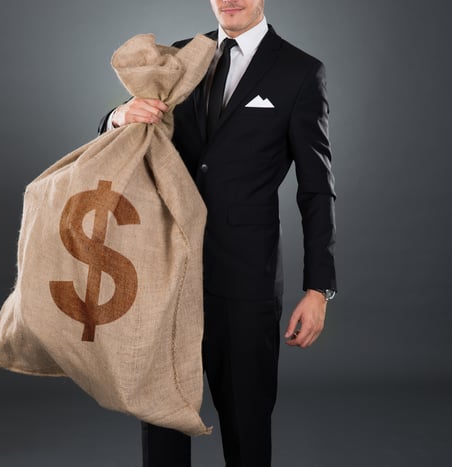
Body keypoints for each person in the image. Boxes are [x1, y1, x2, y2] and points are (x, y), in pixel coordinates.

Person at [98, 1, 337, 465]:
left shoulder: (300, 72)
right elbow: (129, 141)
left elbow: (317, 190)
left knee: (246, 423)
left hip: (245, 280)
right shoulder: (180, 56)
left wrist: (318, 288)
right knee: (161, 419)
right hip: (166, 270)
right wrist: (119, 116)